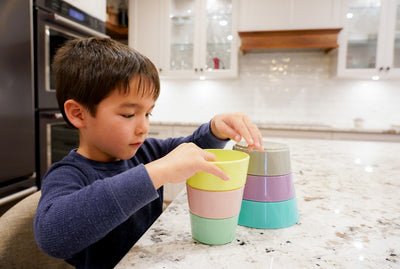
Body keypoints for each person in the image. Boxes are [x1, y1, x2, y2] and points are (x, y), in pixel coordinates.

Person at [34, 37, 263, 269]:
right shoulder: (68, 174)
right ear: (78, 114)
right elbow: (52, 237)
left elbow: (191, 149)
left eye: (148, 114)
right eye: (128, 115)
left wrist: (215, 128)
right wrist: (158, 171)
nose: (143, 126)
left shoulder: (147, 152)